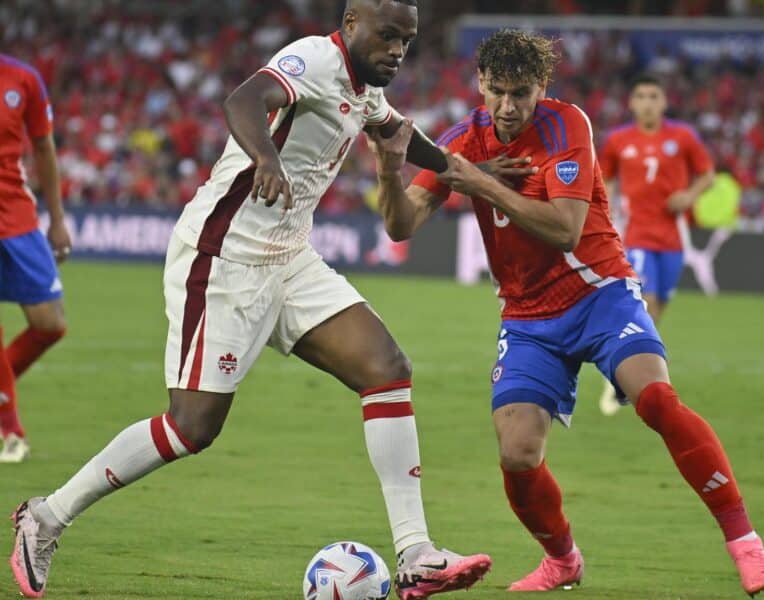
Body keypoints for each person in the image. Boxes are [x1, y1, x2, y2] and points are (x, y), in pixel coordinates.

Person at [10, 2, 501, 598]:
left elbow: (402, 135)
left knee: (387, 369)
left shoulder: (364, 86)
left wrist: (466, 169)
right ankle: (47, 515)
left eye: (407, 40)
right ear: (351, 25)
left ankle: (416, 552)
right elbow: (242, 100)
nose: (397, 49)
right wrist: (265, 157)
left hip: (290, 257)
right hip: (222, 258)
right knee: (192, 427)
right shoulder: (315, 58)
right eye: (387, 35)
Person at [369, 29, 764, 596]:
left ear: (542, 87)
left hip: (599, 293)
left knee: (655, 399)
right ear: (480, 86)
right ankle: (562, 561)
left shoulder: (567, 125)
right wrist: (390, 169)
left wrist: (480, 183)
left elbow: (564, 228)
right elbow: (400, 225)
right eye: (497, 93)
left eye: (521, 94)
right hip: (528, 318)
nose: (508, 108)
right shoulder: (462, 140)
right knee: (517, 454)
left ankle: (744, 541)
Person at [596, 73, 715, 416]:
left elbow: (707, 174)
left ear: (663, 102)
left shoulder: (682, 137)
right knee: (644, 302)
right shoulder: (619, 140)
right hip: (637, 235)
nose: (647, 102)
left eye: (653, 96)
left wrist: (689, 195)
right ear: (632, 102)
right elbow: (604, 178)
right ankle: (622, 375)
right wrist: (609, 210)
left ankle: (624, 368)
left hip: (673, 237)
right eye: (641, 96)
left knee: (658, 307)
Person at [0, 53, 71, 464]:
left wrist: (58, 220)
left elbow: (44, 147)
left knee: (50, 324)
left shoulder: (23, 79)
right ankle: (11, 431)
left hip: (17, 216)